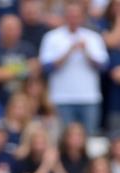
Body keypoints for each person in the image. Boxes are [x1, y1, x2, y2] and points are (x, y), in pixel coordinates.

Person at [39, 1, 108, 134]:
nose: (73, 19)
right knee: (62, 140)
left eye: (76, 16)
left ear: (82, 17)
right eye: (70, 15)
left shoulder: (93, 37)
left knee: (89, 139)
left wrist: (87, 52)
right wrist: (68, 52)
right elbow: (46, 67)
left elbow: (104, 66)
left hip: (89, 98)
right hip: (61, 98)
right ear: (64, 16)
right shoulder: (52, 37)